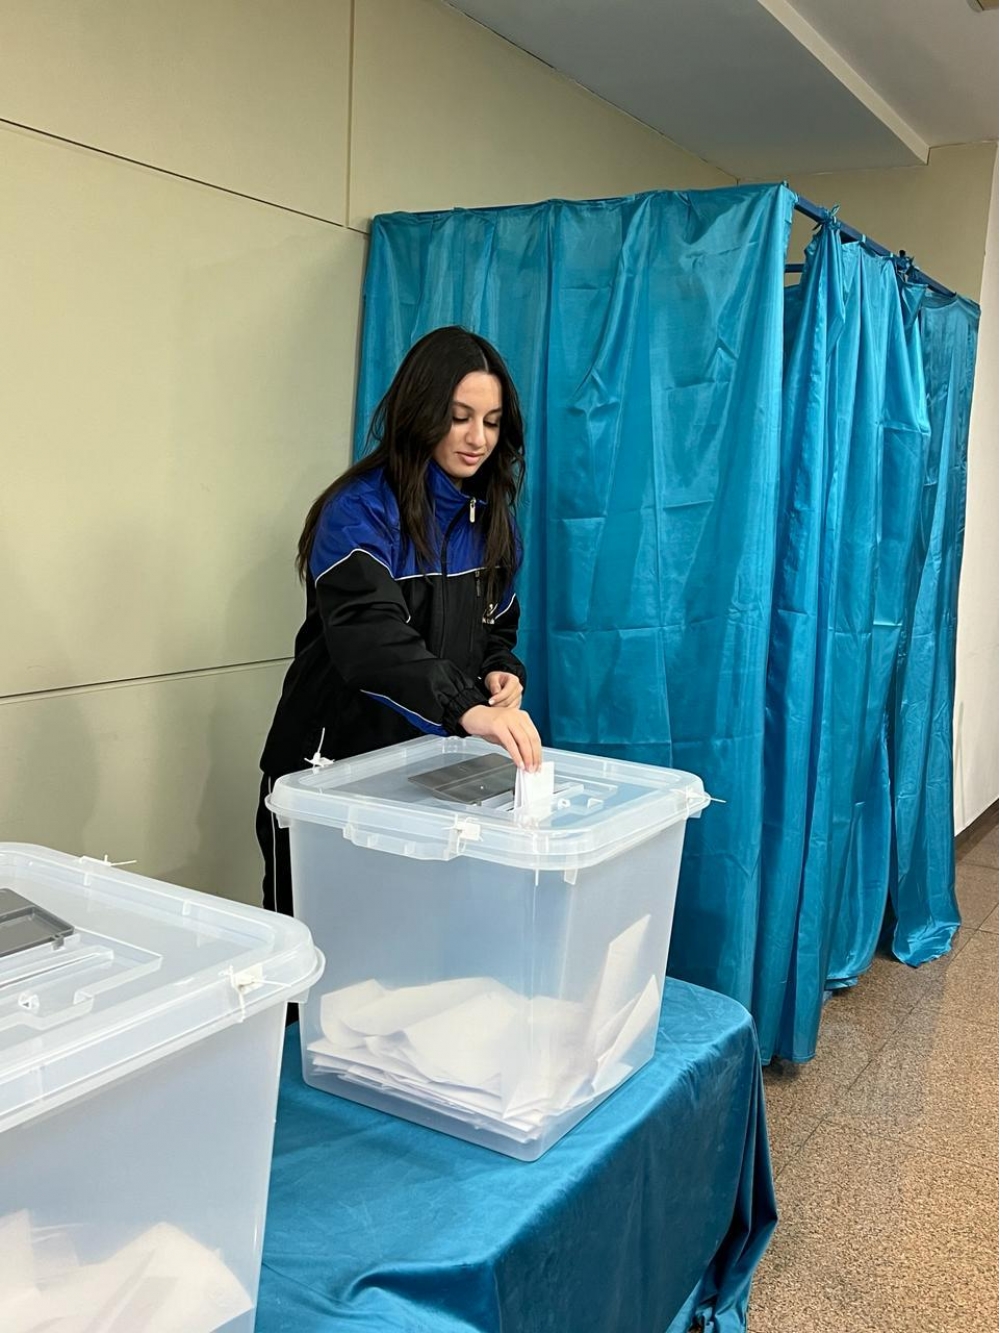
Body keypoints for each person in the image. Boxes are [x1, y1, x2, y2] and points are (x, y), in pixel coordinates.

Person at [256, 326, 542, 917]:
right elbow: (371, 638)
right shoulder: (358, 511)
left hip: (421, 775)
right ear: (422, 412)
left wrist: (498, 670)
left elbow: (496, 623)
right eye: (459, 417)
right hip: (327, 776)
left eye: (491, 423)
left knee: (407, 945)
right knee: (318, 944)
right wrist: (465, 707)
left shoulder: (491, 519)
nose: (477, 438)